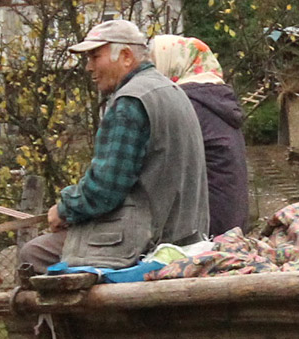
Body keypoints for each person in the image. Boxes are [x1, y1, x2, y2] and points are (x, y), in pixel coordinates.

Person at [17, 19, 209, 274]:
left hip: (146, 240)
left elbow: (104, 189)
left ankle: (71, 316)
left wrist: (63, 210)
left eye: (95, 56)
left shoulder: (130, 101)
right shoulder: (171, 90)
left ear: (126, 56)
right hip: (186, 232)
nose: (89, 67)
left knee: (33, 254)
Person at [151, 33, 250, 237]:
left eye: (153, 63)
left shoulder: (187, 103)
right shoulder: (213, 99)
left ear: (172, 63)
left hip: (206, 224)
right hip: (231, 218)